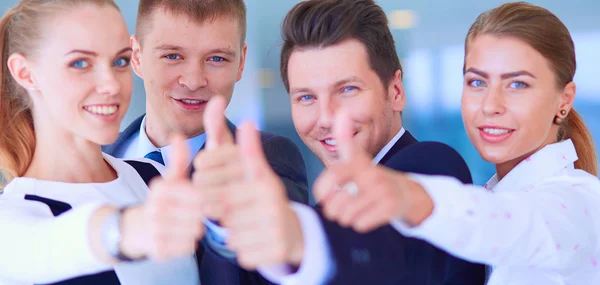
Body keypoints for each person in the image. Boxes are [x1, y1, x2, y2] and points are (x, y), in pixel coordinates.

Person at [191, 0, 486, 284]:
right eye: (306, 97)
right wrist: (228, 217)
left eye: (347, 89)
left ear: (395, 91)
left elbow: (383, 254)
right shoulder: (327, 207)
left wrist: (297, 237)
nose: (325, 118)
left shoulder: (432, 167)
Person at [315, 2, 600, 285]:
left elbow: (509, 225)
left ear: (564, 100)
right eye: (477, 82)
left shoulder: (580, 203)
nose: (490, 105)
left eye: (517, 84)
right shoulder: (493, 195)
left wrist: (408, 196)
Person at [100, 0, 309, 283]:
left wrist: (227, 222)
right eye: (173, 56)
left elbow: (280, 268)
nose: (194, 80)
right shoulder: (95, 161)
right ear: (136, 56)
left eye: (217, 59)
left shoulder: (268, 159)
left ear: (241, 63)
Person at [0, 0, 206, 284]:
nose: (111, 84)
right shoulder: (12, 216)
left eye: (119, 61)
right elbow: (37, 248)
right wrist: (122, 229)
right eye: (80, 63)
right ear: (25, 73)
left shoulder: (153, 176)